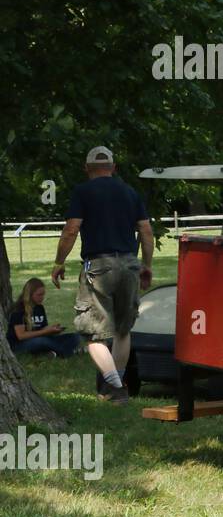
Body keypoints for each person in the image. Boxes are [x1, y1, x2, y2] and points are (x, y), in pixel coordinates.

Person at [51, 146, 153, 405]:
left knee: (92, 335)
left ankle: (115, 388)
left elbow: (72, 229)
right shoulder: (130, 192)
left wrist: (58, 262)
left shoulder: (82, 192)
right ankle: (115, 390)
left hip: (97, 265)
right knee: (122, 330)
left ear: (87, 169)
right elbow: (146, 232)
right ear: (113, 167)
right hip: (130, 263)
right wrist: (146, 265)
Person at [6, 278, 81, 358]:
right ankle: (67, 352)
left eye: (43, 294)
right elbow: (21, 336)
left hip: (40, 339)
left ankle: (51, 352)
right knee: (42, 341)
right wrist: (44, 332)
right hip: (20, 345)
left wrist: (52, 329)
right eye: (39, 295)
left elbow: (42, 328)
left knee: (75, 337)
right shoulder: (18, 309)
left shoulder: (39, 307)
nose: (42, 297)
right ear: (30, 294)